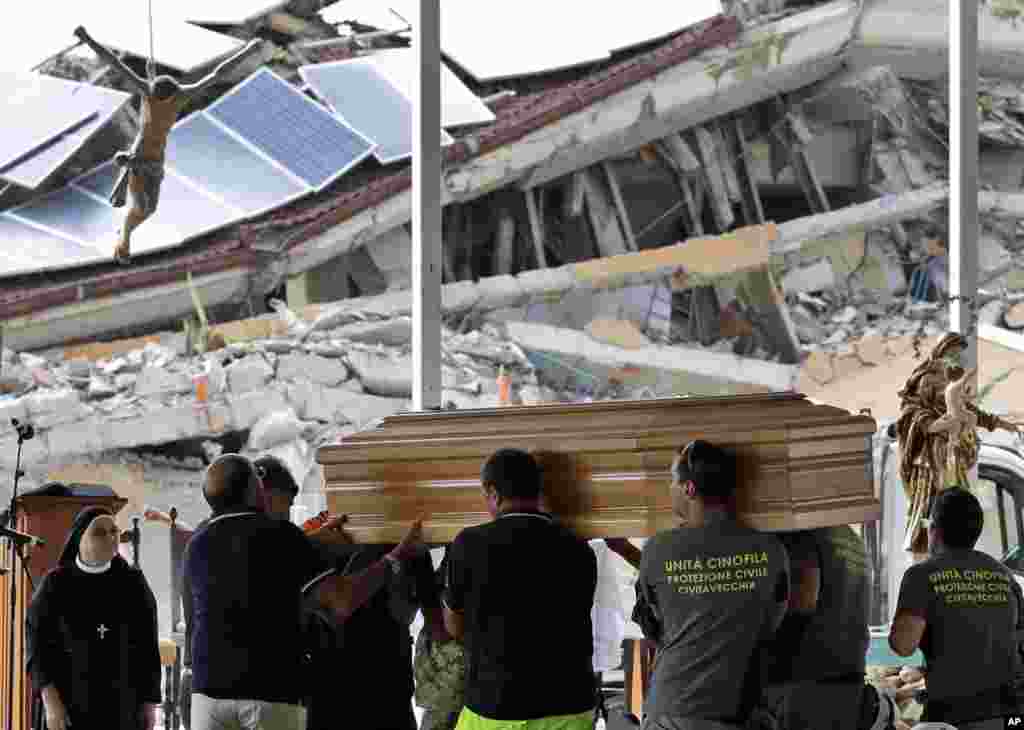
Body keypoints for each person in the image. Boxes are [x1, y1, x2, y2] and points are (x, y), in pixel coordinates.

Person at [184, 453, 424, 730]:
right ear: (253, 489)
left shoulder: (198, 543)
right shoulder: (282, 536)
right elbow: (341, 602)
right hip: (268, 691)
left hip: (207, 694)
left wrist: (312, 541)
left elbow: (248, 563)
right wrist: (395, 557)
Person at [633, 439, 790, 730]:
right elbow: (773, 624)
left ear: (689, 489)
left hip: (675, 709)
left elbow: (653, 625)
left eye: (672, 481)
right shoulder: (771, 549)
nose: (670, 490)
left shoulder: (657, 549)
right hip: (743, 709)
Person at [72, 26, 262, 263]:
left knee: (150, 210)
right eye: (147, 93)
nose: (148, 97)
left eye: (152, 95)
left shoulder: (182, 94)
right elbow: (115, 64)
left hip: (156, 160)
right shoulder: (147, 89)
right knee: (141, 207)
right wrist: (88, 38)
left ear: (168, 96)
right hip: (137, 159)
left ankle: (125, 232)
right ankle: (124, 242)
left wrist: (248, 50)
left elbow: (218, 73)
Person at [443, 448, 598, 730]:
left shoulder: (469, 544)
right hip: (568, 706)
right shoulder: (578, 548)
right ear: (539, 492)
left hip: (494, 706)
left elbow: (454, 626)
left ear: (493, 493)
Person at [889, 487, 1024, 729]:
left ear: (934, 530)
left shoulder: (921, 575)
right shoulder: (1005, 576)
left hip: (953, 717)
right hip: (1010, 715)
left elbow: (903, 644)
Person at [26, 506, 162, 730]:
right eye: (100, 532)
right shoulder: (56, 584)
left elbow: (148, 647)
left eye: (114, 531)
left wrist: (149, 703)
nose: (110, 538)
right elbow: (36, 646)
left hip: (122, 707)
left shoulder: (133, 582)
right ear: (79, 539)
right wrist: (51, 702)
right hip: (68, 706)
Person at [895, 332, 1019, 559]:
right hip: (931, 455)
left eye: (959, 354)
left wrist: (999, 423)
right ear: (943, 350)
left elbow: (967, 409)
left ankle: (954, 540)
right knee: (930, 504)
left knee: (956, 502)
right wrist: (934, 424)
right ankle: (924, 548)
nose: (957, 357)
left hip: (950, 450)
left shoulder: (951, 377)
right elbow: (916, 411)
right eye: (954, 352)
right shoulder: (928, 377)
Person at [760, 526, 870, 730]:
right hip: (849, 679)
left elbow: (803, 600)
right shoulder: (851, 538)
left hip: (803, 683)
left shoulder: (799, 530)